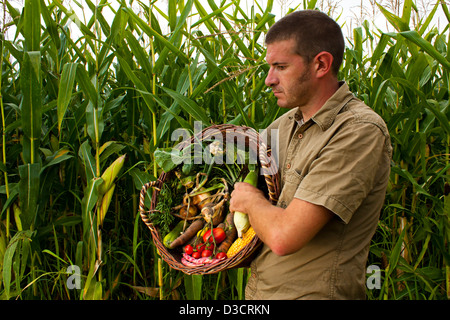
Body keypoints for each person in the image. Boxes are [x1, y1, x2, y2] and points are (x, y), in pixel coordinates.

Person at [229, 10, 392, 299]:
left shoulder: (358, 131)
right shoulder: (283, 126)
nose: (268, 80)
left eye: (280, 66)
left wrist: (250, 200)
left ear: (321, 64)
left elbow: (283, 237)